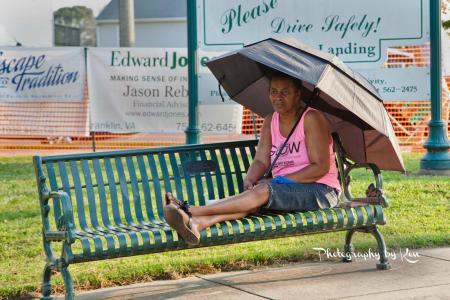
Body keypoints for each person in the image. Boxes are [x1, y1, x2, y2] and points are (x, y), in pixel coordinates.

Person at [163, 72, 341, 245]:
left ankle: (190, 210)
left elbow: (320, 167)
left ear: (298, 94)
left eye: (285, 92)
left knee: (264, 191)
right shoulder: (271, 120)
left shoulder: (311, 118)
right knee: (253, 198)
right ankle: (198, 224)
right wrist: (250, 178)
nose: (278, 97)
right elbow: (261, 161)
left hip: (320, 190)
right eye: (273, 92)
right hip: (283, 189)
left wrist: (278, 181)